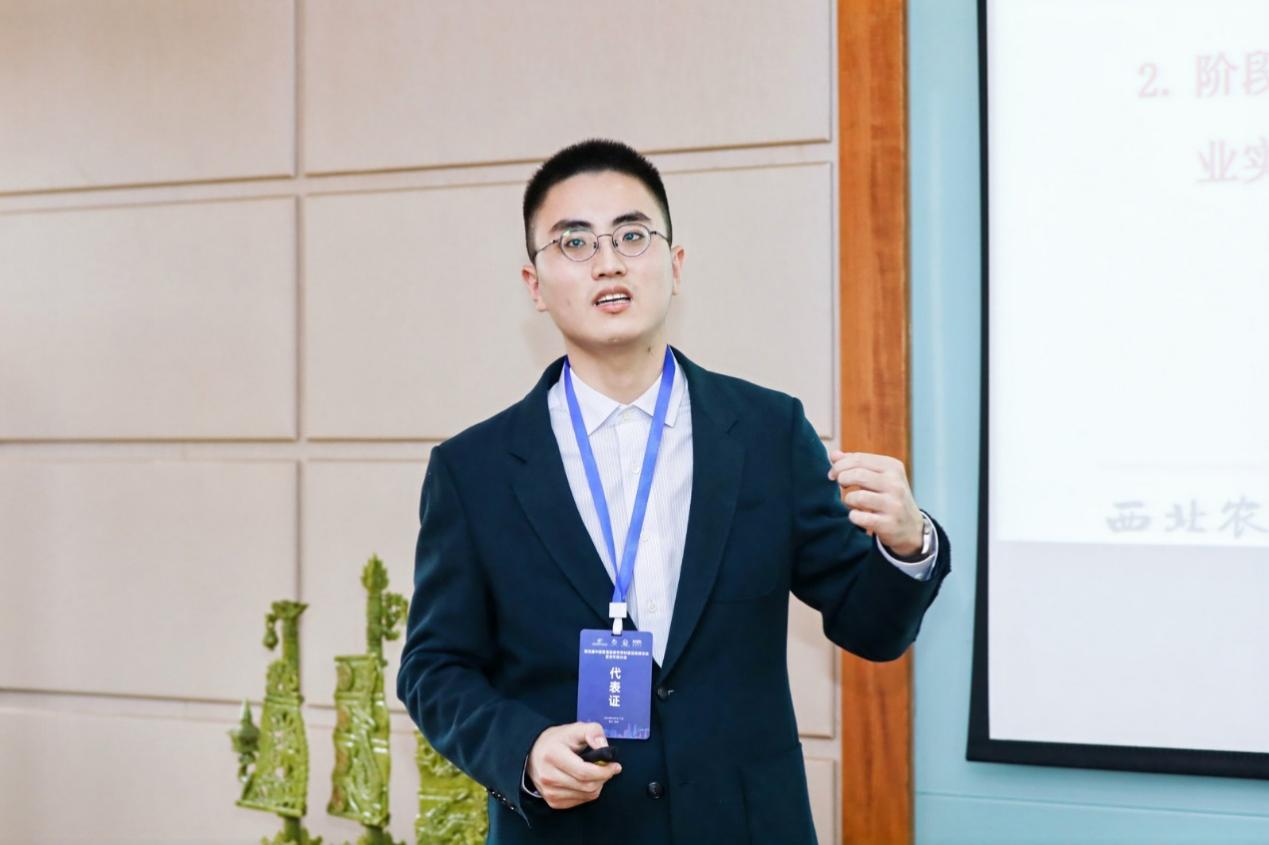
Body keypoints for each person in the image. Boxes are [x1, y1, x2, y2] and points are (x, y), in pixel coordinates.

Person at [396, 138, 950, 845]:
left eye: (632, 235)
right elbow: (434, 667)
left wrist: (907, 543)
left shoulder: (767, 431)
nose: (608, 262)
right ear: (534, 284)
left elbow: (872, 629)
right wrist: (523, 751)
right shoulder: (473, 470)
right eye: (574, 242)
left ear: (675, 264)